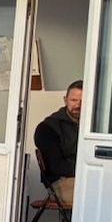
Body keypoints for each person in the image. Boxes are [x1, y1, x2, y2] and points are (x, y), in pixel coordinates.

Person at [34, 80, 82, 208]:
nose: (78, 105)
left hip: (87, 178)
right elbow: (57, 166)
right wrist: (88, 170)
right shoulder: (47, 128)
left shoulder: (97, 126)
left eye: (83, 101)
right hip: (60, 182)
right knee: (102, 195)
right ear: (65, 100)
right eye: (74, 100)